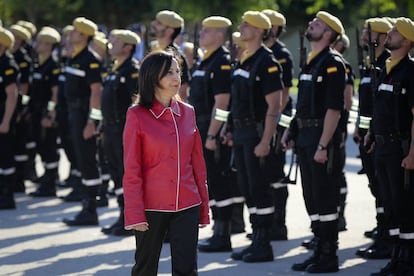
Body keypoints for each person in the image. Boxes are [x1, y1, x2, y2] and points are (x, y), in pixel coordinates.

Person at [123, 50, 209, 276]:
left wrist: (203, 207)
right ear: (153, 77)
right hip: (151, 207)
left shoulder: (188, 112)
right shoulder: (136, 115)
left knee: (187, 270)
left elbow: (197, 164)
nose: (176, 78)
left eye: (178, 71)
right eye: (169, 72)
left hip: (187, 204)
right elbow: (132, 169)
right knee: (145, 268)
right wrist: (134, 213)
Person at [283, 11, 346, 273]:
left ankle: (329, 254)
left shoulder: (333, 63)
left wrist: (323, 145)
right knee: (311, 197)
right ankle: (319, 248)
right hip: (306, 138)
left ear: (329, 34)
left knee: (325, 197)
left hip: (321, 140)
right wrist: (291, 132)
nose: (311, 24)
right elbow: (303, 107)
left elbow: (334, 109)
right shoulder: (312, 62)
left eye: (317, 24)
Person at [227, 11, 283, 263]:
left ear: (260, 31)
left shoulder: (267, 61)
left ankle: (264, 243)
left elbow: (274, 106)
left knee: (259, 188)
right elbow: (236, 100)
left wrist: (265, 141)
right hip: (240, 132)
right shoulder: (244, 59)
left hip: (256, 133)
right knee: (247, 188)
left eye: (246, 25)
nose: (241, 27)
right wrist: (230, 129)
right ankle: (256, 237)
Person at [366, 17, 414, 275]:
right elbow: (380, 109)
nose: (389, 34)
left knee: (405, 205)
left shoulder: (410, 71)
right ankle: (396, 257)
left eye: (395, 31)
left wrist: (413, 153)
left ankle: (407, 261)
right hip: (383, 148)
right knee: (391, 204)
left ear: (406, 41)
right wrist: (372, 135)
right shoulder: (387, 67)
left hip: (400, 149)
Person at [187, 16, 234, 252]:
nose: (200, 35)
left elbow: (222, 104)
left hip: (209, 129)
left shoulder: (221, 62)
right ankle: (218, 230)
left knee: (218, 180)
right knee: (209, 182)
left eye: (206, 31)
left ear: (219, 35)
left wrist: (213, 135)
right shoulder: (203, 61)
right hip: (199, 127)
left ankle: (223, 233)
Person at [353, 17, 393, 260]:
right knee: (376, 188)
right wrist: (362, 128)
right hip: (369, 137)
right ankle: (383, 231)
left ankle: (388, 236)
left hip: (382, 138)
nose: (364, 36)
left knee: (385, 190)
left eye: (368, 32)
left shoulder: (386, 64)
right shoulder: (371, 66)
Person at [62, 17, 103, 226]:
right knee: (81, 159)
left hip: (83, 115)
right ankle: (86, 205)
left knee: (88, 160)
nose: (71, 34)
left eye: (76, 32)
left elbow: (96, 92)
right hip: (73, 114)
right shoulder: (74, 57)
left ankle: (91, 209)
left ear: (85, 36)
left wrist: (92, 122)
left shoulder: (90, 59)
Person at [100, 29, 140, 236]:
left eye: (116, 41)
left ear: (128, 47)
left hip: (124, 130)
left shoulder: (132, 71)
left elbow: (136, 105)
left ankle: (131, 218)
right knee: (116, 174)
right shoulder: (115, 69)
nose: (110, 43)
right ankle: (122, 214)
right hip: (110, 128)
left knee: (127, 175)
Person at [262, 9, 294, 241]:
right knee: (264, 174)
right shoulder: (260, 52)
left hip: (276, 121)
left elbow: (282, 96)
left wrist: (273, 128)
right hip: (264, 121)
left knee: (275, 172)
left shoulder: (280, 54)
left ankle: (278, 223)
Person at [27, 27, 61, 197]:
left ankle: (50, 182)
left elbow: (54, 95)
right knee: (40, 146)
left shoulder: (52, 66)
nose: (37, 44)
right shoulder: (37, 64)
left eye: (41, 42)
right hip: (35, 111)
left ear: (49, 46)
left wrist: (50, 114)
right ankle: (46, 179)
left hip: (46, 113)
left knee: (49, 147)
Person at [331, 33, 355, 232]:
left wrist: (340, 129)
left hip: (337, 125)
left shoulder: (342, 65)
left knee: (336, 171)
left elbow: (347, 102)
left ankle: (340, 214)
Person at [9, 24, 33, 193]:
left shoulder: (22, 59)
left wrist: (22, 107)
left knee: (19, 145)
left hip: (18, 106)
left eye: (16, 38)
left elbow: (24, 88)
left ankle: (20, 179)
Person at [149, 10, 190, 102]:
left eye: (159, 23)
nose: (153, 24)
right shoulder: (152, 51)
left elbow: (182, 94)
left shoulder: (177, 57)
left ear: (169, 31)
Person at [0, 27, 19, 209]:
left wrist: (6, 121)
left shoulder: (8, 64)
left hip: (4, 119)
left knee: (6, 157)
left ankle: (8, 194)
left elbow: (12, 95)